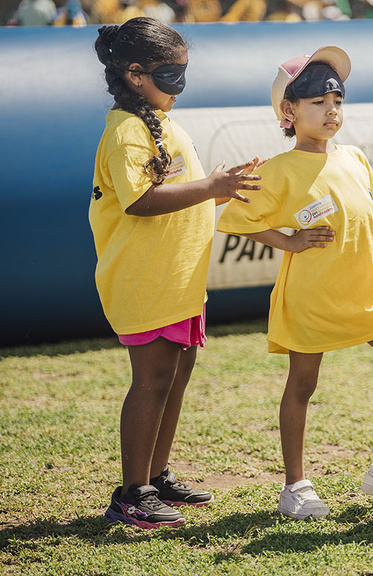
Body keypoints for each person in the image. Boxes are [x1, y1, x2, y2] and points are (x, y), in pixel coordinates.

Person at [217, 46, 373, 520]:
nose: (331, 111)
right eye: (318, 102)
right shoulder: (276, 168)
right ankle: (296, 486)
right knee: (303, 384)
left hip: (365, 295)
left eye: (338, 102)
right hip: (311, 296)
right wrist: (289, 242)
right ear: (289, 112)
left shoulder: (354, 157)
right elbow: (237, 219)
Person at [91, 17, 261, 529]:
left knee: (176, 376)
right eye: (171, 74)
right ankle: (131, 493)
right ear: (136, 73)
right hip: (145, 279)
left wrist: (220, 190)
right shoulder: (125, 131)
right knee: (152, 379)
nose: (179, 85)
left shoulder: (162, 120)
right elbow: (140, 201)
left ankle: (156, 474)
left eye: (184, 72)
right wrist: (213, 187)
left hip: (179, 277)